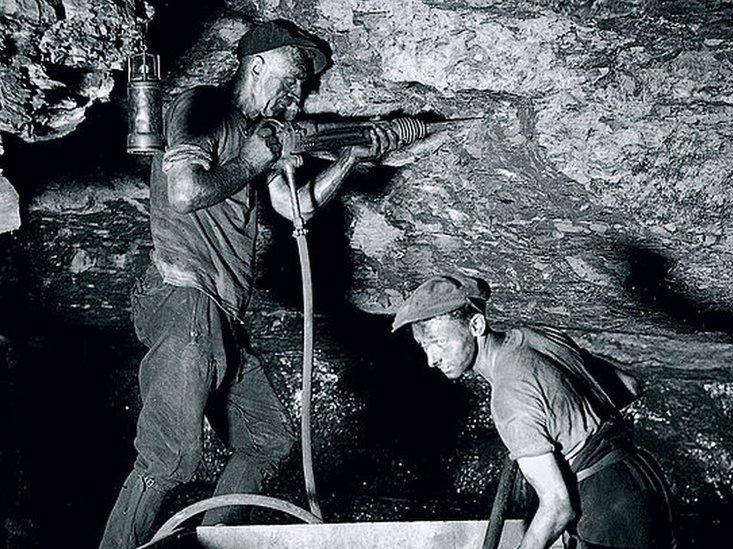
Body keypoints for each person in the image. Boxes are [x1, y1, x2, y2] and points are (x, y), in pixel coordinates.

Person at [100, 20, 399, 548]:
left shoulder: (250, 135)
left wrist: (351, 159)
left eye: (305, 86)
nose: (298, 94)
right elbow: (185, 192)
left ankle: (213, 541)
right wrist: (257, 158)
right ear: (255, 65)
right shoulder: (203, 108)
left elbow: (295, 206)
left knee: (268, 438)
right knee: (168, 455)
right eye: (291, 77)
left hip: (220, 316)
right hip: (185, 295)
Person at [393, 274, 677, 549]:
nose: (431, 359)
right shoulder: (534, 337)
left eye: (440, 342)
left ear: (477, 324)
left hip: (606, 508)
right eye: (424, 346)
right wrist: (564, 419)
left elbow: (557, 507)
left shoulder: (508, 398)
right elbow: (630, 385)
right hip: (643, 479)